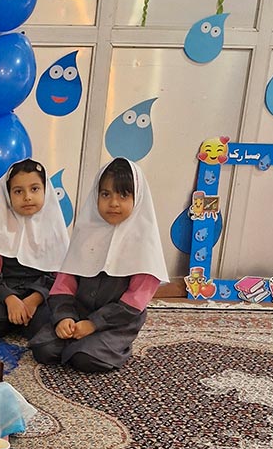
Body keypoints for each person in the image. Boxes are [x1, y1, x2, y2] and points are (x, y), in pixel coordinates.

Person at [29, 158, 169, 373]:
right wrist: (65, 317)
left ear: (138, 197)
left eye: (123, 195)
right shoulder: (86, 233)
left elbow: (134, 303)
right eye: (106, 194)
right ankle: (77, 338)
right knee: (44, 349)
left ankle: (112, 346)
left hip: (117, 322)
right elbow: (64, 285)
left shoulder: (144, 243)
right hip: (79, 312)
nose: (113, 203)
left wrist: (94, 324)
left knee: (85, 358)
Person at [0, 159, 68, 339]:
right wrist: (9, 299)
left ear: (46, 190)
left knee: (43, 327)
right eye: (18, 191)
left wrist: (34, 299)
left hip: (39, 291)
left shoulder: (54, 225)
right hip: (4, 289)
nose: (27, 197)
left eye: (34, 189)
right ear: (8, 194)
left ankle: (20, 319)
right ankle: (15, 317)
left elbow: (59, 275)